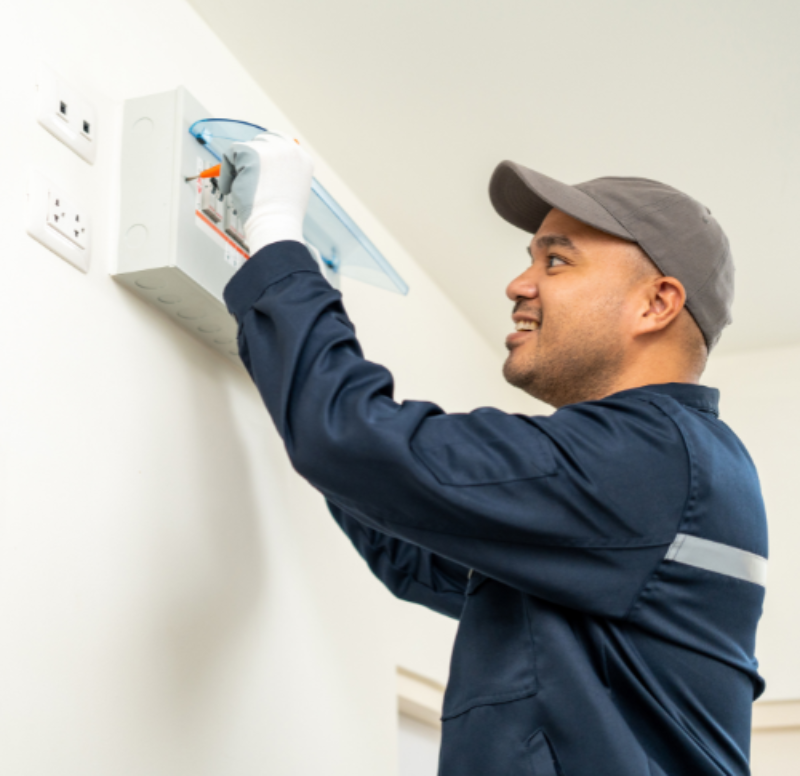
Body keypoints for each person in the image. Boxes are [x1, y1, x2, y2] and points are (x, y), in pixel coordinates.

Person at [219, 135, 767, 776]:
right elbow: (414, 551)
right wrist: (297, 368)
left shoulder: (649, 457)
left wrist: (279, 241)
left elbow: (360, 444)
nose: (518, 283)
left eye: (556, 262)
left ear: (656, 303)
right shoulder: (683, 466)